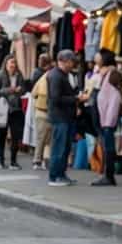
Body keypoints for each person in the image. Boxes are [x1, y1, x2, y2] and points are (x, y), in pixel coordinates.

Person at [46, 50, 79, 186]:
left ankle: (61, 174)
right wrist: (75, 99)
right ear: (63, 61)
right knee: (59, 148)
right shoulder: (56, 76)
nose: (72, 64)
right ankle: (54, 176)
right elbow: (55, 98)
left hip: (65, 117)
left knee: (65, 148)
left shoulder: (63, 75)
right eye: (71, 61)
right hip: (60, 117)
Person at [92, 49, 122, 187]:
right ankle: (107, 175)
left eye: (99, 54)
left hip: (107, 119)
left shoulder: (113, 74)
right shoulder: (105, 73)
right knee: (106, 146)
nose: (96, 56)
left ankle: (109, 176)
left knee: (108, 147)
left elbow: (114, 99)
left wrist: (108, 120)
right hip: (104, 117)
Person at [0, 55, 27, 170]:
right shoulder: (0, 75)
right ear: (6, 64)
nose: (13, 65)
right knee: (2, 135)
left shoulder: (19, 75)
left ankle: (13, 161)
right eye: (11, 63)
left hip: (16, 109)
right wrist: (10, 90)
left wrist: (21, 90)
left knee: (16, 136)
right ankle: (0, 159)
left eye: (14, 63)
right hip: (3, 109)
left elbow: (24, 89)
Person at [30, 54, 53, 170]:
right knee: (50, 139)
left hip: (40, 111)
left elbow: (34, 93)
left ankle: (37, 161)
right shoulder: (56, 78)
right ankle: (45, 161)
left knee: (40, 138)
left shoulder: (41, 78)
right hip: (52, 112)